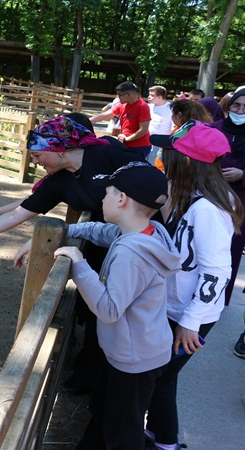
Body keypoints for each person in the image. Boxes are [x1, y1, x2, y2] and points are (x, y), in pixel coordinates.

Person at [0, 115, 145, 395]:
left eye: (37, 155)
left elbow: (153, 187)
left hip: (139, 246)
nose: (35, 162)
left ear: (58, 148)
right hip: (104, 245)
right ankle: (95, 379)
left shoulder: (107, 153)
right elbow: (20, 212)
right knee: (102, 313)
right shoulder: (58, 182)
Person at [55, 161, 180, 450]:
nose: (101, 199)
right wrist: (70, 229)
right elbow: (104, 232)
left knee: (122, 432)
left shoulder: (131, 254)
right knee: (106, 414)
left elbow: (109, 309)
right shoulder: (148, 232)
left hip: (134, 358)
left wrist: (78, 264)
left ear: (122, 199)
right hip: (132, 351)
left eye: (107, 193)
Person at [145, 120, 244, 450]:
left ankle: (166, 442)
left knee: (158, 376)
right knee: (162, 376)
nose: (161, 155)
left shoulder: (209, 209)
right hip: (175, 305)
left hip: (191, 312)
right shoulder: (188, 195)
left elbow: (216, 271)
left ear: (185, 161)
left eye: (167, 152)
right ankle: (162, 437)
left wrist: (190, 323)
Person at [210, 87, 245, 307]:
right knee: (204, 244)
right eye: (236, 105)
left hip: (240, 203)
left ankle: (220, 298)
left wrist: (242, 174)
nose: (240, 111)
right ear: (228, 106)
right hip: (210, 197)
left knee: (231, 250)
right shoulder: (214, 129)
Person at [91, 81, 152, 158]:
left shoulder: (143, 107)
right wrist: (87, 120)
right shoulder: (121, 105)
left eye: (120, 95)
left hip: (139, 146)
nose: (118, 97)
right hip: (125, 144)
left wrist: (128, 139)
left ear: (129, 94)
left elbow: (144, 129)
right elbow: (104, 115)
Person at [154, 100, 212, 172]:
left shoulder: (182, 133)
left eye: (172, 113)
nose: (171, 116)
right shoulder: (204, 130)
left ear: (178, 115)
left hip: (177, 175)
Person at [147, 85, 174, 165]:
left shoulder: (170, 108)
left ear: (159, 97)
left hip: (161, 143)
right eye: (149, 95)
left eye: (152, 95)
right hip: (146, 140)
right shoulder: (148, 107)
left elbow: (173, 127)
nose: (149, 97)